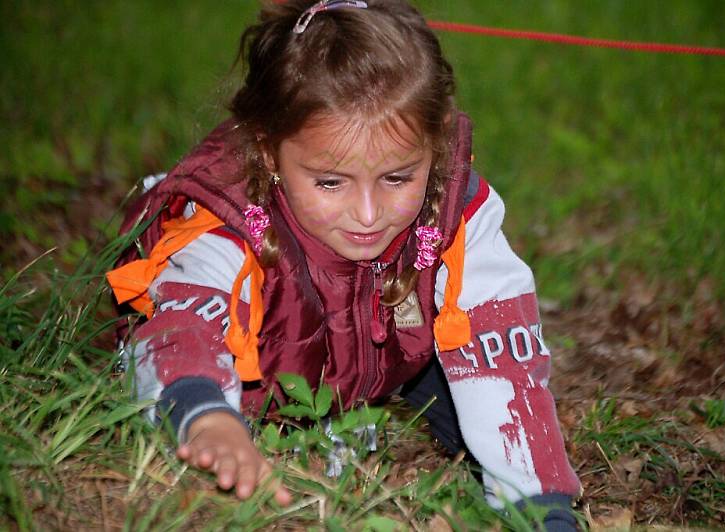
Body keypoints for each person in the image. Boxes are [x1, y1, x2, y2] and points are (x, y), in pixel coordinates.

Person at [107, 0, 581, 528]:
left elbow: (504, 357)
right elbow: (185, 329)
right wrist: (207, 418)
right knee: (196, 398)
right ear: (268, 152)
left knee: (478, 396)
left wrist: (544, 511)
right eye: (330, 182)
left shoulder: (455, 213)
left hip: (376, 350)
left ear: (438, 140)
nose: (368, 215)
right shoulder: (228, 222)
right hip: (244, 372)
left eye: (398, 178)